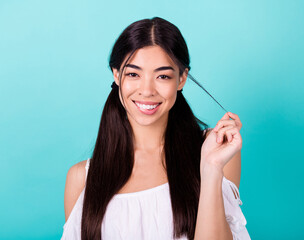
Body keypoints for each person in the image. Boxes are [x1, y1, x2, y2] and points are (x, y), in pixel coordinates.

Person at [60, 17, 250, 240]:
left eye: (162, 76)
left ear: (181, 79)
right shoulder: (81, 178)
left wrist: (211, 168)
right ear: (116, 75)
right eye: (133, 74)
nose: (147, 90)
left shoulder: (214, 151)